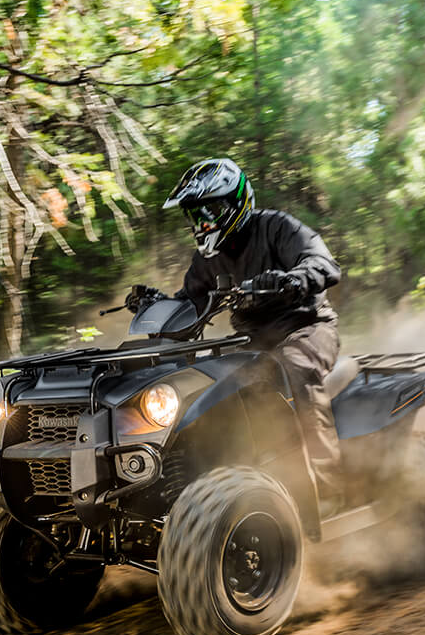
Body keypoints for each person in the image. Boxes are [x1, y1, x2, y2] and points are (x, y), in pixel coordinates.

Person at [128, 158, 343, 503]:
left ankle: (327, 486)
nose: (203, 222)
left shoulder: (276, 227)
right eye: (195, 214)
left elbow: (324, 264)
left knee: (296, 366)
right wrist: (156, 305)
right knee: (211, 384)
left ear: (237, 202)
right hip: (251, 344)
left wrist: (292, 280)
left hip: (307, 328)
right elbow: (190, 307)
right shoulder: (207, 260)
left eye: (210, 211)